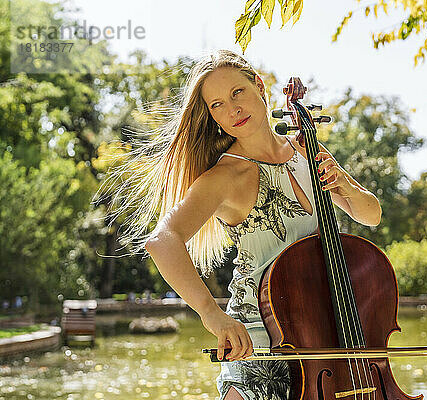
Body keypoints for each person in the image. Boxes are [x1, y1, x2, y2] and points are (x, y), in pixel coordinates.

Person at [131, 49, 381, 400]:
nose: (232, 110)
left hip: (325, 332)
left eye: (237, 93)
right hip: (259, 341)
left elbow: (371, 215)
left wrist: (345, 184)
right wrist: (210, 313)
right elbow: (162, 240)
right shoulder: (227, 175)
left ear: (259, 86)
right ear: (212, 116)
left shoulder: (307, 151)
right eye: (217, 104)